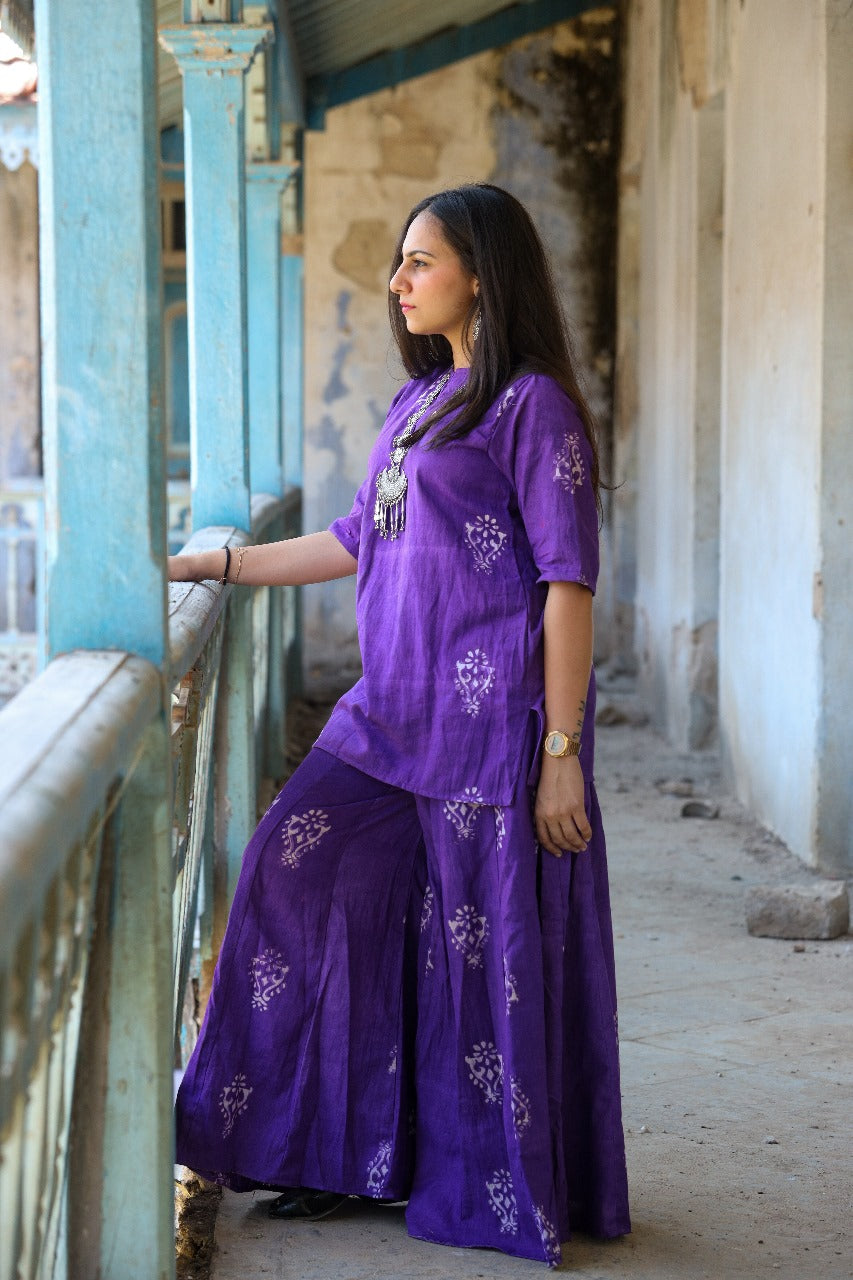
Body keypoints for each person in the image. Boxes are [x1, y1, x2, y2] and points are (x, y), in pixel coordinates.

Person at [169, 183, 630, 1269]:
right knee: (289, 875)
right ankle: (330, 1147)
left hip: (487, 731)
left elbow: (568, 583)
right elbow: (351, 537)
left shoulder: (532, 407)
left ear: (483, 273)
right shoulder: (420, 400)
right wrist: (211, 563)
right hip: (386, 717)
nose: (398, 281)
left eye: (421, 261)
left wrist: (559, 754)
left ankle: (465, 1171)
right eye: (401, 260)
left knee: (475, 962)